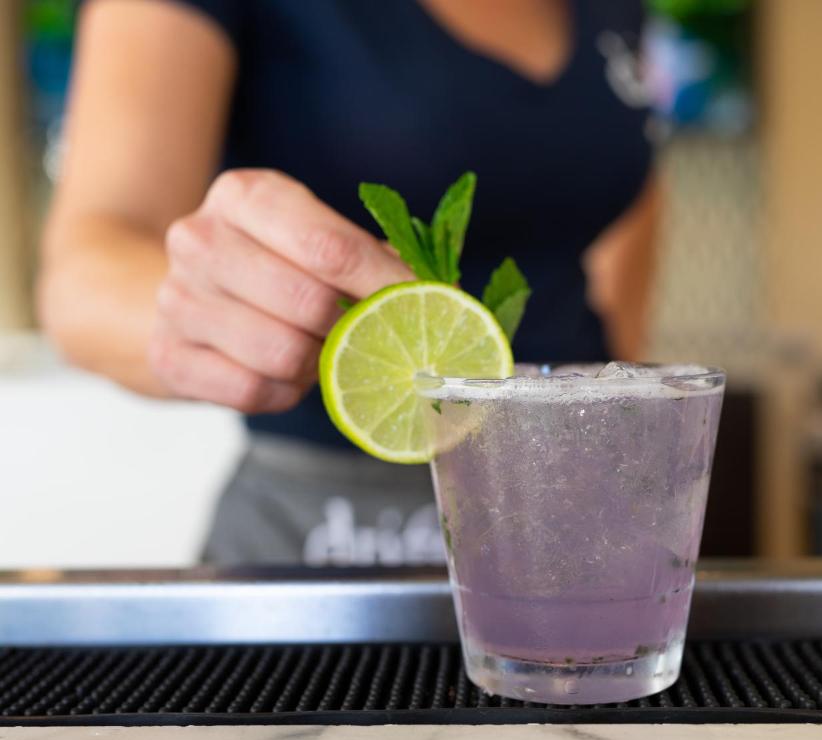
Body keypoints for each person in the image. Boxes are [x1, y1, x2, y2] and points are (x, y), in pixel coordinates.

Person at [38, 0, 661, 565]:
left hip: (573, 517)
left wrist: (621, 425)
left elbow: (622, 206)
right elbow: (87, 266)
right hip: (321, 526)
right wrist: (199, 314)